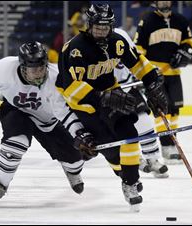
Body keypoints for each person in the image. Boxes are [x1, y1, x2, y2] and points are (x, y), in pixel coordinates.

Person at [0, 41, 95, 208]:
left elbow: (64, 113)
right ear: (22, 66)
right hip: (16, 111)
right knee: (16, 143)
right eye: (33, 69)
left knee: (75, 158)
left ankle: (72, 170)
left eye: (41, 67)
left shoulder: (56, 78)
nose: (38, 73)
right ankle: (0, 184)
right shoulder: (4, 68)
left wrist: (81, 135)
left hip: (47, 122)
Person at [56, 4, 168, 211]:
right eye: (97, 26)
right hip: (85, 104)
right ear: (89, 25)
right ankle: (125, 171)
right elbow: (69, 86)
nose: (101, 31)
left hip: (113, 95)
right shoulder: (75, 48)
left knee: (130, 135)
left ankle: (130, 183)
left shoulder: (117, 41)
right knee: (111, 148)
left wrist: (153, 84)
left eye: (105, 26)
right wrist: (101, 97)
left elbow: (139, 63)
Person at [134, 1, 192, 164]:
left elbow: (188, 42)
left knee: (174, 110)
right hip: (155, 76)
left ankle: (172, 144)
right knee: (162, 110)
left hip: (174, 73)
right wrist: (147, 70)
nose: (164, 2)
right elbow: (138, 48)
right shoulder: (146, 21)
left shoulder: (181, 20)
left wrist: (186, 52)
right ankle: (166, 147)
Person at [113, 28, 168, 178]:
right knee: (119, 130)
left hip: (128, 87)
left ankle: (153, 158)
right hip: (108, 93)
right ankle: (133, 159)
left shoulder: (121, 34)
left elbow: (135, 57)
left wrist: (149, 74)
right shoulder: (88, 44)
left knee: (144, 121)